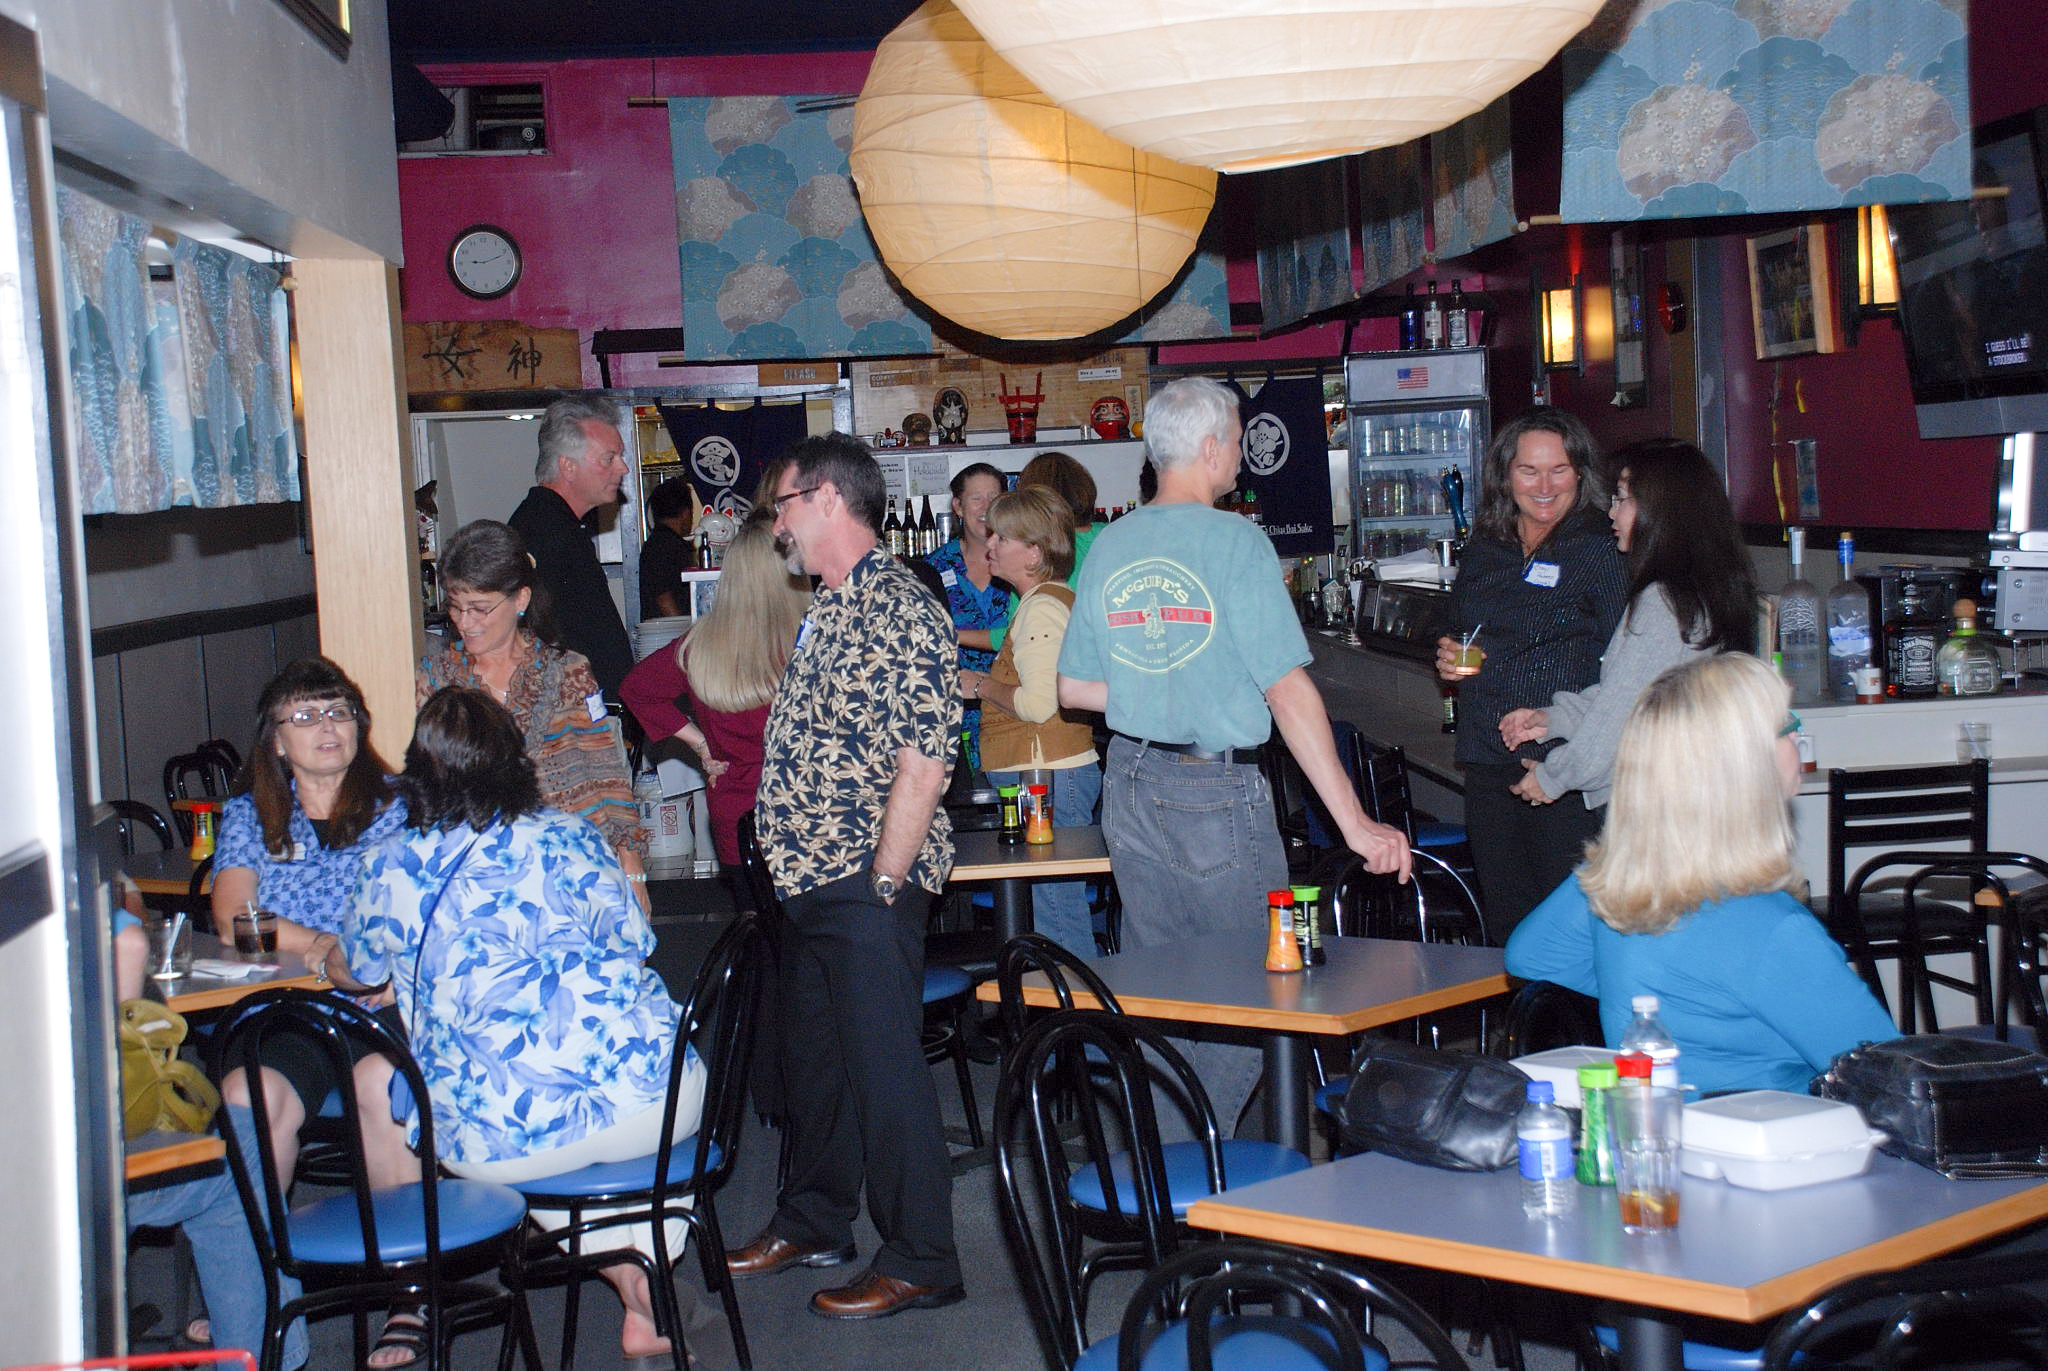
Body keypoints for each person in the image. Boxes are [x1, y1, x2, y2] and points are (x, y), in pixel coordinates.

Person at [325, 687, 730, 1367]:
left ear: (417, 772)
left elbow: (361, 972)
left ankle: (631, 1285)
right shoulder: (573, 833)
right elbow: (636, 940)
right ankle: (644, 1288)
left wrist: (333, 959)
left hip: (507, 1132)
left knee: (516, 1123)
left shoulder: (389, 863)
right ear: (518, 762)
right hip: (660, 1102)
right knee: (578, 1133)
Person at [1057, 377, 1410, 1140]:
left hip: (1130, 781)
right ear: (1212, 446)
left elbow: (1073, 687)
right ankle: (1200, 1157)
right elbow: (1288, 691)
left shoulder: (1111, 543)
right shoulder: (1237, 541)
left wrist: (1163, 681)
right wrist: (1355, 824)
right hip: (1211, 791)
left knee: (1166, 988)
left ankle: (1167, 1169)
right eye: (1239, 439)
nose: (1243, 456)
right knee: (1264, 986)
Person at [727, 433, 964, 1320]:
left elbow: (925, 761)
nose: (776, 526)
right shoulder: (831, 602)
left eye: (782, 506)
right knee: (817, 1066)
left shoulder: (900, 604)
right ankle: (815, 1219)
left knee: (885, 1072)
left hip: (864, 884)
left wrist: (885, 882)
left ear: (827, 498)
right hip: (810, 883)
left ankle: (923, 1256)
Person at [1506, 653, 1897, 1094]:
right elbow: (1895, 1081)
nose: (1799, 737)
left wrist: (1678, 1000)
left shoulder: (1614, 883)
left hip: (1651, 1123)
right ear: (1745, 761)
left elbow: (1531, 955)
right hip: (1778, 1128)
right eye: (1787, 725)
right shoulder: (1772, 929)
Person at [210, 658, 416, 1215]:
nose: (326, 726)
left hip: (384, 1001)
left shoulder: (406, 806)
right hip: (291, 1008)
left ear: (359, 727)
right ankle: (257, 1270)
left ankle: (407, 1268)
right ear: (276, 742)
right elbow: (233, 917)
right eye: (304, 716)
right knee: (250, 1095)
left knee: (382, 1084)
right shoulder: (251, 816)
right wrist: (323, 946)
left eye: (338, 712)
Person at [1435, 407, 1627, 941]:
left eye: (1558, 470)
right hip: (1487, 760)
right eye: (1529, 471)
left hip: (1564, 770)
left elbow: (1626, 666)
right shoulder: (1486, 544)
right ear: (1506, 475)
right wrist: (1448, 657)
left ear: (1581, 473)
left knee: (1569, 930)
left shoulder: (1602, 547)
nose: (1544, 487)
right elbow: (1460, 630)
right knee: (1508, 928)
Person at [1497, 437, 1758, 814]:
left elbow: (1624, 712)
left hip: (1665, 807)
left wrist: (1555, 777)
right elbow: (1638, 693)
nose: (1611, 513)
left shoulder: (1665, 601)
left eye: (1621, 499)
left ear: (1659, 509)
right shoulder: (1711, 587)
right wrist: (1554, 719)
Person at [114, 898, 309, 1371]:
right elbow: (130, 939)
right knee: (238, 1156)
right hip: (48, 1193)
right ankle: (263, 1359)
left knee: (246, 1117)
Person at [419, 519, 650, 903]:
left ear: (521, 600)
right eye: (456, 607)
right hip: (480, 877)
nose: (464, 622)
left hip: (574, 869)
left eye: (479, 608)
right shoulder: (436, 681)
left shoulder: (568, 671)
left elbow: (607, 772)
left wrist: (632, 866)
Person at [620, 515, 810, 870]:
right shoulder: (813, 642)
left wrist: (701, 744)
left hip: (736, 816)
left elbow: (637, 689)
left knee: (755, 904)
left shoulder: (701, 644)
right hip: (810, 817)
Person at [959, 486, 1101, 958]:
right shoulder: (1051, 599)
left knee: (1057, 916)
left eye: (1002, 537)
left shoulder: (1040, 607)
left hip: (1048, 778)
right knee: (1055, 910)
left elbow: (1040, 703)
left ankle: (1076, 1004)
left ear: (1035, 553)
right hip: (1050, 777)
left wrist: (980, 685)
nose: (990, 544)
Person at [508, 394, 634, 702]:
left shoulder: (558, 524)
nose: (623, 468)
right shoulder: (543, 531)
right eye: (609, 458)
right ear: (568, 466)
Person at [924, 462, 1010, 765]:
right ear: (958, 507)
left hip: (1014, 715)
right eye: (976, 498)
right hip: (952, 722)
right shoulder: (934, 567)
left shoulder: (1022, 561)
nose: (986, 507)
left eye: (994, 497)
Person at [639, 475, 697, 619]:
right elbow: (664, 598)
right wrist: (685, 631)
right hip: (669, 630)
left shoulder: (656, 544)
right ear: (686, 513)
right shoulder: (668, 545)